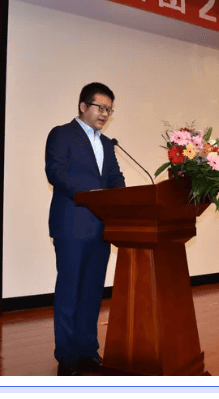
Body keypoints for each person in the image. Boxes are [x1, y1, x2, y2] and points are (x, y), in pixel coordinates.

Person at [45, 82, 126, 376]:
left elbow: (116, 178)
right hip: (72, 225)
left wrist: (124, 199)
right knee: (69, 292)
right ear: (83, 106)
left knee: (92, 293)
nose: (105, 113)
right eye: (100, 107)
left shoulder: (106, 144)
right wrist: (93, 195)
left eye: (109, 109)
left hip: (101, 228)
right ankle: (67, 357)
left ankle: (87, 351)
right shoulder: (62, 134)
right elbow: (56, 172)